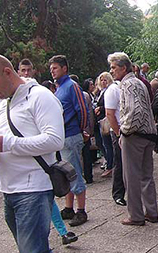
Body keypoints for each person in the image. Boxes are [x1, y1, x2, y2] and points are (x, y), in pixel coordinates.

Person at [0, 53, 86, 253]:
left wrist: (5, 144)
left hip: (33, 188)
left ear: (7, 72)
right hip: (10, 189)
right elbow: (7, 145)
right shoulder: (3, 104)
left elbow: (54, 141)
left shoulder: (40, 96)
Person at [20, 59, 78, 245]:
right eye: (23, 70)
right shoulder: (9, 99)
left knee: (48, 196)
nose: (26, 73)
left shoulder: (40, 95)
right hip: (20, 163)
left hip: (41, 158)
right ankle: (38, 241)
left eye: (29, 70)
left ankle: (61, 232)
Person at [108, 52, 158, 226]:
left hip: (135, 137)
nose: (111, 71)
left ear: (123, 67)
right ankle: (151, 212)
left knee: (131, 177)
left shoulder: (128, 84)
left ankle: (135, 215)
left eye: (114, 67)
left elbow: (133, 111)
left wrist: (124, 131)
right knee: (146, 176)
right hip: (148, 135)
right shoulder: (139, 82)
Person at [49, 55, 89, 227]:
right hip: (62, 137)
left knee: (73, 172)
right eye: (51, 69)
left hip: (71, 135)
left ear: (65, 68)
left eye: (55, 68)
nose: (52, 71)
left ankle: (81, 211)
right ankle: (68, 207)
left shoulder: (72, 86)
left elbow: (83, 109)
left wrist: (82, 129)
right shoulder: (59, 88)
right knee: (65, 172)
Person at [104, 73, 127, 207]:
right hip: (119, 131)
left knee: (126, 164)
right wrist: (118, 133)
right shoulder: (113, 89)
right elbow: (109, 114)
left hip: (127, 130)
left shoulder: (125, 86)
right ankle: (118, 194)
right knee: (119, 163)